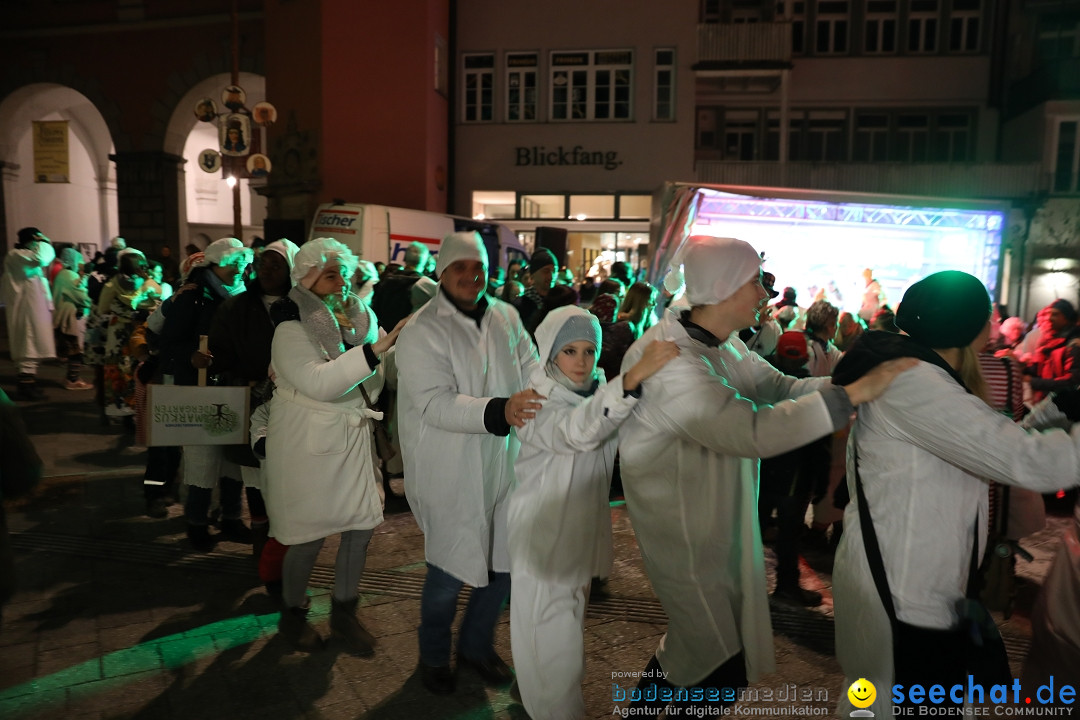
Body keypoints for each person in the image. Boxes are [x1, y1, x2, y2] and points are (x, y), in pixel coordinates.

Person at [617, 235, 914, 712]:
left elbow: (779, 386)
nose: (765, 293)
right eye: (756, 281)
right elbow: (750, 430)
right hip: (684, 531)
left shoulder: (722, 342)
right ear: (725, 286)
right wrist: (851, 396)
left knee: (699, 654)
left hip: (716, 522)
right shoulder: (670, 360)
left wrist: (849, 381)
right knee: (713, 661)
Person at [830, 270, 1080, 717]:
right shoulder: (918, 384)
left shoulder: (918, 373)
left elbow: (975, 445)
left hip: (915, 577)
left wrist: (1052, 413)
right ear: (972, 327)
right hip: (905, 589)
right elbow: (1031, 462)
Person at [509, 306, 678, 718]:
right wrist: (632, 380)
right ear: (549, 353)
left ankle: (537, 696)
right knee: (556, 646)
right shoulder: (534, 402)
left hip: (578, 538)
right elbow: (576, 432)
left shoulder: (598, 393)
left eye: (589, 350)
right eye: (569, 351)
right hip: (543, 540)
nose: (581, 361)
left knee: (558, 637)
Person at [396, 231, 542, 695]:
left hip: (505, 463)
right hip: (451, 469)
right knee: (449, 572)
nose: (470, 275)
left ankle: (477, 645)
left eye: (477, 267)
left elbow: (532, 368)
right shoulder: (422, 329)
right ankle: (435, 655)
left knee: (503, 566)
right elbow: (434, 404)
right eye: (459, 266)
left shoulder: (505, 316)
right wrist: (499, 410)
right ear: (442, 271)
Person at [265, 237, 403, 653]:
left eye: (343, 272)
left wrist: (403, 353)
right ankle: (292, 615)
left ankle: (345, 614)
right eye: (330, 274)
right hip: (308, 444)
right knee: (307, 535)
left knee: (360, 528)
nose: (342, 282)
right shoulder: (290, 327)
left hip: (353, 439)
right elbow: (319, 382)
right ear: (306, 281)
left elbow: (381, 377)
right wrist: (377, 350)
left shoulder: (359, 318)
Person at [159, 238, 254, 552]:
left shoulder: (241, 293)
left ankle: (231, 517)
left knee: (232, 460)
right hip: (199, 389)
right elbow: (169, 343)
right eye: (236, 262)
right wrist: (191, 357)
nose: (242, 268)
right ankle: (196, 523)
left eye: (243, 262)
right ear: (220, 262)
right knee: (201, 458)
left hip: (231, 386)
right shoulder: (193, 295)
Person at [2, 227, 56, 401]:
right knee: (28, 346)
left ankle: (29, 384)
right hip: (25, 310)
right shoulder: (16, 255)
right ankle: (25, 387)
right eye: (37, 240)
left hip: (32, 309)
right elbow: (43, 258)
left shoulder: (24, 257)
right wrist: (45, 242)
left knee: (32, 347)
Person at [51, 247, 94, 390]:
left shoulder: (62, 274)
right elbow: (82, 297)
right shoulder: (69, 275)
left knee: (73, 349)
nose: (81, 263)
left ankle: (71, 378)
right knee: (76, 350)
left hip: (64, 315)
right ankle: (73, 380)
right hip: (71, 318)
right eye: (79, 260)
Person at [369, 241, 430, 331]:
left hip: (381, 335)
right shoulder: (424, 286)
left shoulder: (385, 280)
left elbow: (374, 310)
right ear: (424, 262)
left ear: (404, 258)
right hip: (407, 336)